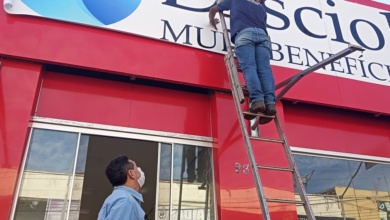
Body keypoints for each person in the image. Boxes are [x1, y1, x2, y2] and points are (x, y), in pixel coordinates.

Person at [209, 0, 276, 123]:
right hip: (263, 36)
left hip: (244, 34)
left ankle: (257, 100)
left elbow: (213, 9)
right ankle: (270, 104)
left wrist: (212, 21)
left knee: (249, 67)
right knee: (265, 70)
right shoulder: (261, 8)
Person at [98, 155, 146, 220]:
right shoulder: (126, 202)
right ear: (131, 174)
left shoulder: (119, 198)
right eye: (136, 168)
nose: (139, 170)